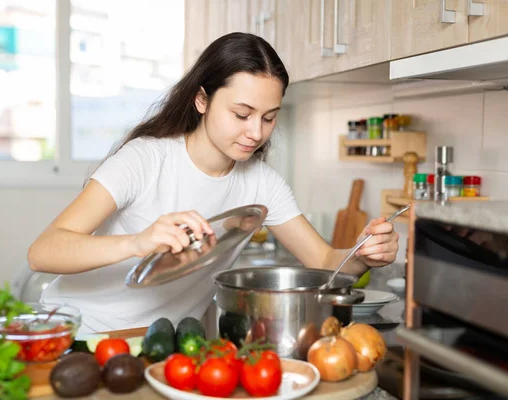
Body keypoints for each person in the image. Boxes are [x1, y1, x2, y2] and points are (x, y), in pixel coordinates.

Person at [28, 32, 400, 337]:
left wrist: (360, 256)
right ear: (202, 99)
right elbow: (43, 252)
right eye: (241, 114)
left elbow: (322, 262)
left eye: (269, 118)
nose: (255, 132)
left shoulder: (261, 184)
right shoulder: (145, 160)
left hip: (162, 344)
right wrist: (136, 243)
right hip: (79, 334)